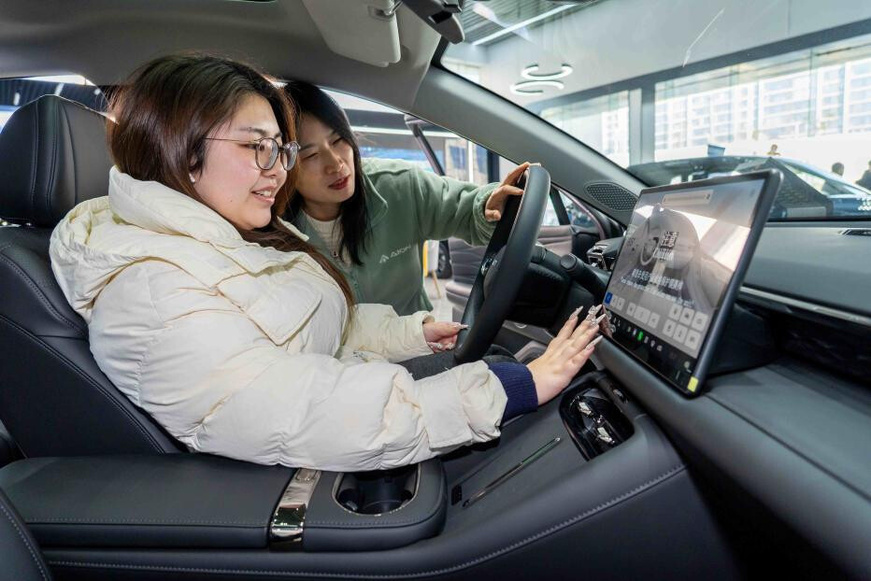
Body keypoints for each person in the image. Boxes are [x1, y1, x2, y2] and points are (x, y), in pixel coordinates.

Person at [49, 54, 604, 472]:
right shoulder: (152, 289)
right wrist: (506, 391)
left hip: (345, 410)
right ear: (179, 150)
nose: (277, 169)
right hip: (314, 463)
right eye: (256, 147)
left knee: (513, 361)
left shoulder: (233, 232)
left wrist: (411, 331)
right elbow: (298, 410)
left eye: (279, 149)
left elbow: (303, 327)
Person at [284, 81, 531, 316]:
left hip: (415, 343)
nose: (335, 163)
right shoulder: (275, 230)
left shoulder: (399, 185)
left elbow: (466, 211)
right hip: (337, 358)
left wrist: (487, 207)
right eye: (311, 155)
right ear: (285, 168)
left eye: (338, 140)